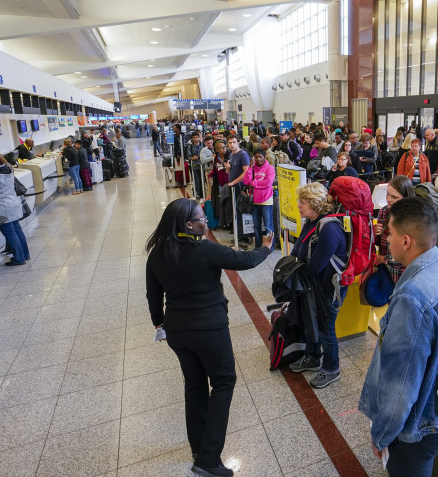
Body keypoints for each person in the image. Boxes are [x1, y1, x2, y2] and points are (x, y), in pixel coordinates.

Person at [145, 198, 272, 477]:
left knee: (194, 384)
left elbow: (154, 297)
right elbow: (245, 260)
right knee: (224, 382)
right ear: (188, 225)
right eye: (201, 219)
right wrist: (265, 247)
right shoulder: (205, 250)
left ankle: (198, 446)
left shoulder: (158, 253)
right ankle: (209, 459)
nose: (205, 222)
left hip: (178, 330)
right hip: (209, 329)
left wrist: (160, 325)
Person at [359, 196, 438, 477]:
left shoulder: (412, 298)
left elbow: (401, 386)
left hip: (416, 430)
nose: (388, 240)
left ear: (406, 241)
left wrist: (382, 434)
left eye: (391, 234)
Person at [289, 183, 349, 389]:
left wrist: (298, 274)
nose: (298, 206)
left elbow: (316, 264)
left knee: (325, 327)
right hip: (314, 286)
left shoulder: (329, 227)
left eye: (302, 202)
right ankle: (313, 357)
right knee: (311, 322)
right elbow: (300, 249)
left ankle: (332, 368)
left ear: (315, 204)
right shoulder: (312, 221)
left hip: (328, 288)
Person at [374, 176, 415, 283]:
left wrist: (383, 259)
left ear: (405, 197)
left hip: (404, 276)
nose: (388, 199)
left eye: (394, 197)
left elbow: (410, 253)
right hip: (385, 273)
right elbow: (380, 243)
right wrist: (374, 234)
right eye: (387, 194)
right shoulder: (384, 211)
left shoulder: (412, 217)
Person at [243, 150, 275, 250]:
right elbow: (246, 181)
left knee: (268, 225)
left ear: (264, 157)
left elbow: (268, 183)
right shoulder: (252, 168)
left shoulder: (270, 168)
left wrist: (254, 183)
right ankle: (258, 246)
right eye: (256, 157)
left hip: (266, 200)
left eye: (260, 157)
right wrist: (249, 168)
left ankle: (270, 246)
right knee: (256, 226)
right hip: (254, 200)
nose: (258, 159)